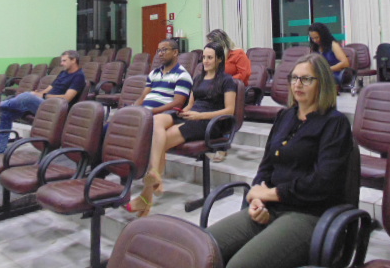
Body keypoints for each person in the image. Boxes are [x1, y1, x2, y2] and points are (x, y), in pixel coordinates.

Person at [207, 53, 352, 268]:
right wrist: (257, 198)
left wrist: (270, 194)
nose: (297, 84)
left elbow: (323, 182)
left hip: (308, 214)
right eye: (294, 78)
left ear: (322, 83)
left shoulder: (335, 123)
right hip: (270, 206)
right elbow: (266, 165)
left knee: (240, 265)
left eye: (306, 79)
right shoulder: (285, 116)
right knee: (205, 247)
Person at [125, 42, 237, 217]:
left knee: (162, 139)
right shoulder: (198, 78)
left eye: (210, 58)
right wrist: (184, 112)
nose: (205, 61)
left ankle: (147, 194)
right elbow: (191, 104)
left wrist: (199, 116)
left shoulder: (227, 80)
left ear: (219, 60)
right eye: (204, 57)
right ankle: (154, 177)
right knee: (157, 120)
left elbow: (229, 110)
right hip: (192, 115)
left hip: (210, 122)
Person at [0, 50, 86, 154]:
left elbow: (67, 98)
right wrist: (39, 93)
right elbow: (51, 87)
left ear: (74, 60)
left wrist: (44, 96)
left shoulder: (79, 76)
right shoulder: (63, 73)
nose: (61, 63)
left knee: (26, 96)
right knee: (6, 112)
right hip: (46, 102)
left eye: (64, 61)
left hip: (56, 108)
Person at [206, 29, 251, 162]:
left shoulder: (238, 54)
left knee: (222, 107)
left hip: (235, 89)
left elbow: (244, 75)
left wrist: (224, 82)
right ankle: (209, 140)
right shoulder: (216, 56)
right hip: (218, 89)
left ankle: (222, 145)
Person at [134, 39, 193, 114]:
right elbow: (143, 97)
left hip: (161, 115)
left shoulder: (183, 75)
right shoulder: (154, 73)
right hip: (143, 113)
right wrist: (134, 109)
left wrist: (151, 112)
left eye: (164, 50)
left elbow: (178, 104)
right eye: (159, 51)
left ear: (175, 52)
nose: (160, 54)